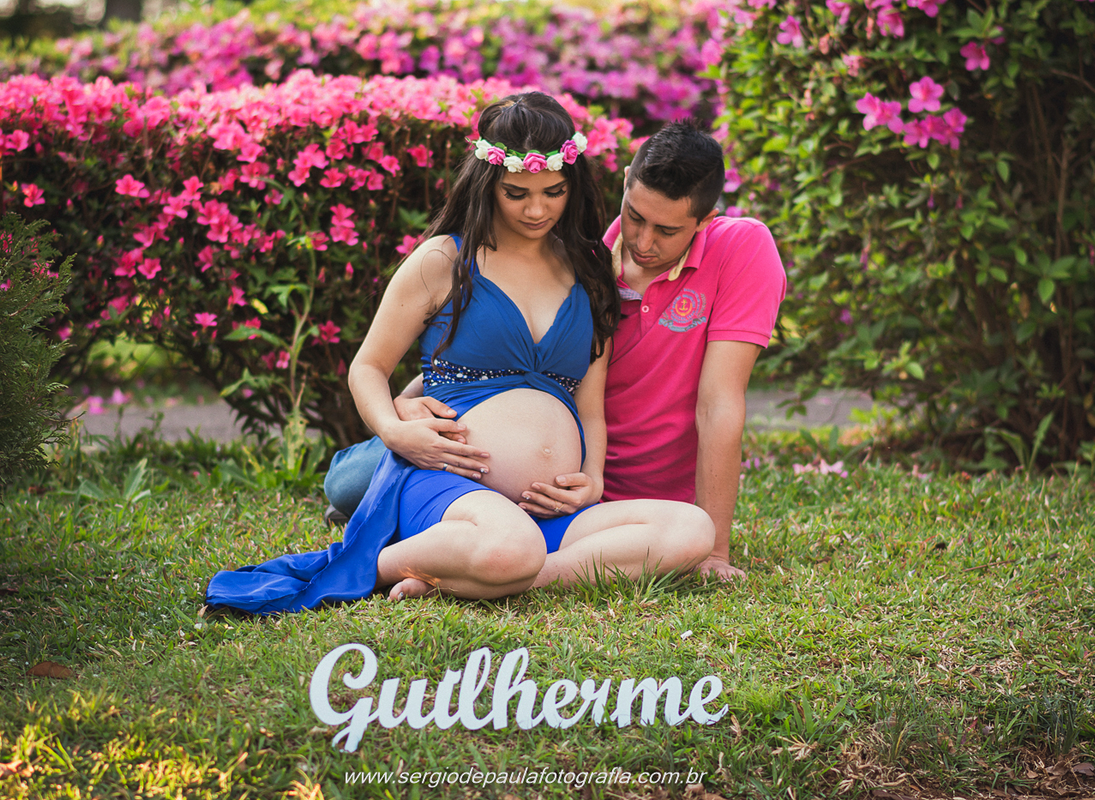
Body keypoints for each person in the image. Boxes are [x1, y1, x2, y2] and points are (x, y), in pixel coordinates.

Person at [206, 93, 714, 615]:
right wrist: (395, 429)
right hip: (449, 485)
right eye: (517, 193)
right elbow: (368, 367)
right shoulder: (444, 260)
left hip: (548, 510)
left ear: (572, 184)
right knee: (508, 546)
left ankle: (503, 574)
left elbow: (590, 405)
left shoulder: (587, 268)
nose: (537, 209)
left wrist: (594, 479)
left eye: (553, 192)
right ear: (488, 182)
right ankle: (384, 564)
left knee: (692, 528)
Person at [324, 122, 786, 583]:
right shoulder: (592, 259)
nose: (643, 243)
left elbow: (717, 403)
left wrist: (712, 550)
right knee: (349, 484)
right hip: (469, 461)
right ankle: (451, 550)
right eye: (635, 217)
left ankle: (497, 569)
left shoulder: (607, 266)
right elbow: (490, 357)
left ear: (705, 220)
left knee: (689, 534)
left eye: (666, 230)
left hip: (580, 491)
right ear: (625, 182)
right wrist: (401, 408)